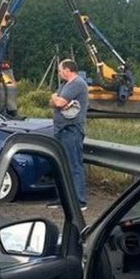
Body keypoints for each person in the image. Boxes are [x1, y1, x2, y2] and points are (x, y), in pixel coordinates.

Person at [49, 58, 89, 210]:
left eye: (60, 70)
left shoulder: (78, 84)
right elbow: (53, 100)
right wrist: (56, 98)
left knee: (74, 165)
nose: (59, 73)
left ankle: (79, 201)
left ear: (67, 70)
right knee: (62, 165)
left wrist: (56, 98)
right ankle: (63, 198)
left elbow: (58, 102)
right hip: (61, 129)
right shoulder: (66, 85)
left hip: (71, 130)